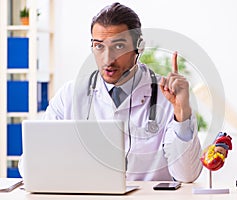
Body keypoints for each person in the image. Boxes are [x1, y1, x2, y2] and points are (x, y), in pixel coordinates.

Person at [30, 2, 202, 182]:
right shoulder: (69, 95)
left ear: (139, 46)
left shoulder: (167, 96)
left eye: (119, 46)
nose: (108, 59)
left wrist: (182, 112)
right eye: (99, 46)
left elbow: (187, 175)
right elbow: (32, 164)